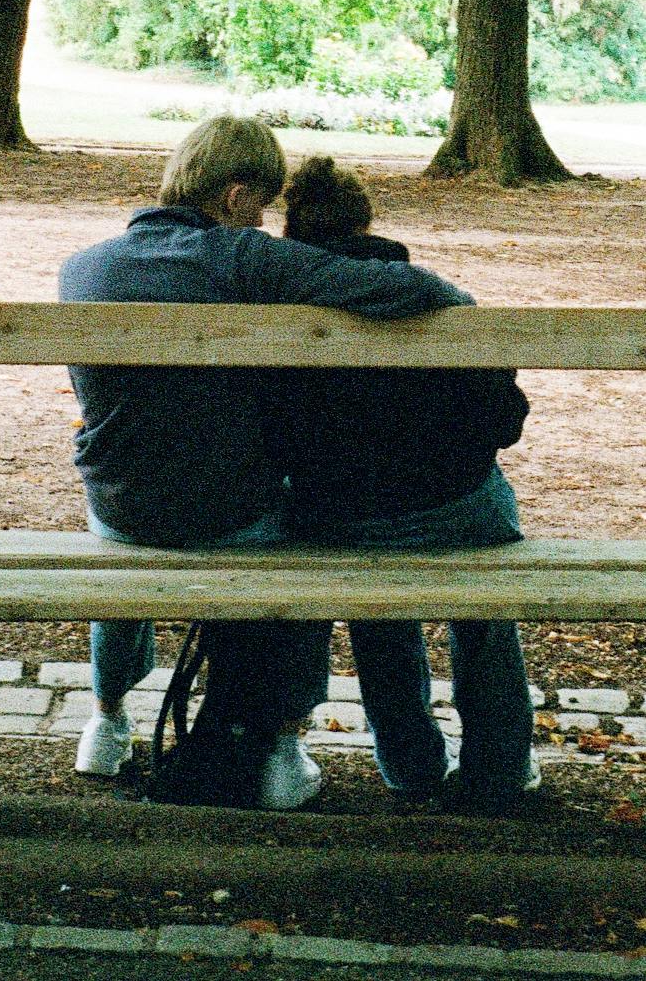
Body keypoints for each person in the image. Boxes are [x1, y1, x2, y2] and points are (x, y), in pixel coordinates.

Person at [60, 115, 471, 809]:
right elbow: (399, 286)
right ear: (233, 195)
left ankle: (103, 722)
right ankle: (283, 746)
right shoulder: (239, 258)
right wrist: (460, 307)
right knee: (305, 533)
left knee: (119, 526)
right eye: (262, 204)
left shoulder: (83, 267)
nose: (264, 220)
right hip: (229, 515)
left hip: (123, 508)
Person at [273, 155, 541, 814]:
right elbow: (504, 421)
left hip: (341, 514)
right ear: (365, 220)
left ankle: (409, 761)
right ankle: (502, 761)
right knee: (483, 610)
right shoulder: (437, 295)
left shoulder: (278, 305)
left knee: (380, 617)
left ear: (293, 229)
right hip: (455, 507)